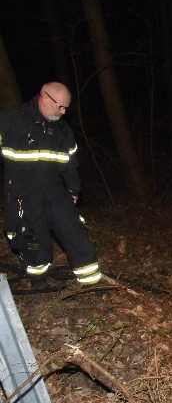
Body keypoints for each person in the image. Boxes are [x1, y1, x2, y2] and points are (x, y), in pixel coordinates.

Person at [0, 82, 102, 287]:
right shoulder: (12, 120)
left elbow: (71, 163)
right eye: (61, 106)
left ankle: (92, 284)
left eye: (66, 108)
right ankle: (38, 282)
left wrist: (73, 189)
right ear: (45, 98)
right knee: (34, 241)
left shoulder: (63, 132)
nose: (63, 112)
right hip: (24, 195)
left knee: (76, 234)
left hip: (57, 193)